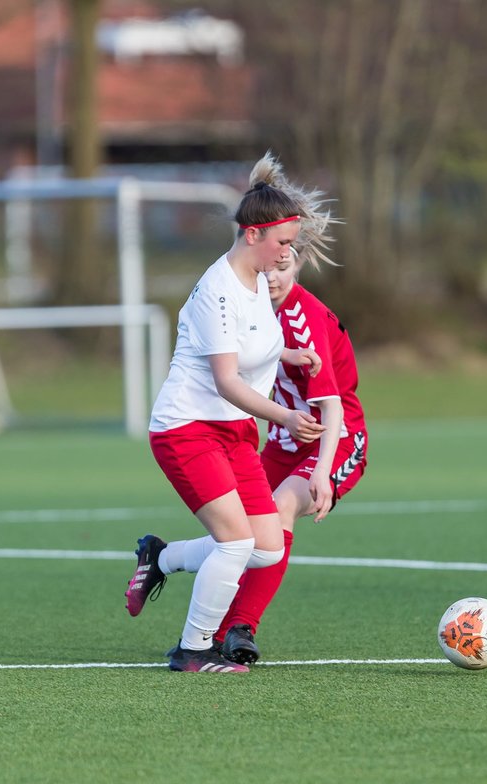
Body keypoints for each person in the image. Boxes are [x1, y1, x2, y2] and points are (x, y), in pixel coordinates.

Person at [124, 153, 329, 674]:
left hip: (235, 433)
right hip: (187, 431)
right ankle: (193, 650)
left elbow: (249, 347)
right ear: (255, 234)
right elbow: (226, 379)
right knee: (236, 543)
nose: (289, 254)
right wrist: (284, 417)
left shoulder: (258, 278)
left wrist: (287, 354)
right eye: (284, 243)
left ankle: (160, 558)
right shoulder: (219, 289)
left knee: (263, 549)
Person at [211, 243, 368, 664]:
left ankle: (239, 629)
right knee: (236, 531)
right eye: (269, 267)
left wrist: (322, 474)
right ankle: (168, 563)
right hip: (282, 442)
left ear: (299, 264)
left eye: (285, 266)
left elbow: (332, 407)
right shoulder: (247, 307)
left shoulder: (306, 316)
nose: (274, 277)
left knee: (279, 510)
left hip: (334, 438)